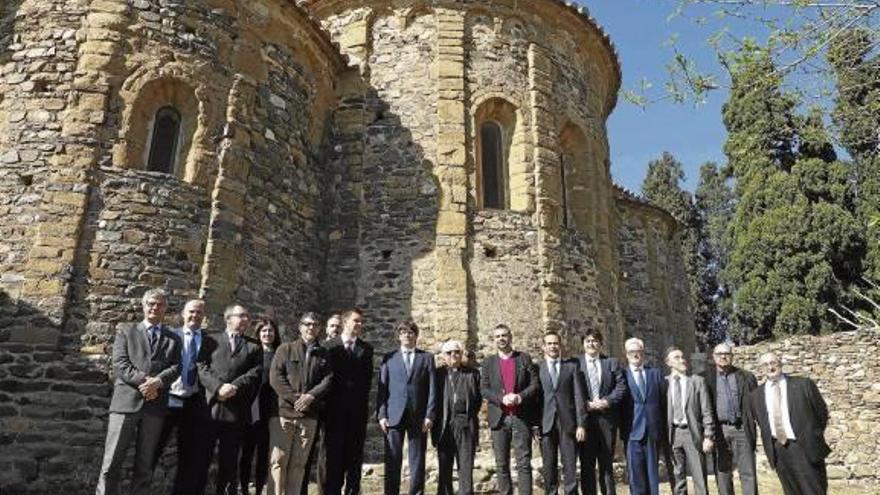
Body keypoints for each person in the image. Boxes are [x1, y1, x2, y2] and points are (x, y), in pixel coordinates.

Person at [95, 288, 181, 495]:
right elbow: (121, 364)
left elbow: (177, 367)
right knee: (111, 462)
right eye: (151, 303)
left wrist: (158, 382)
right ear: (143, 306)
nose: (155, 307)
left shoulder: (173, 339)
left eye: (160, 304)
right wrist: (146, 382)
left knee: (145, 464)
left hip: (155, 406)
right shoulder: (126, 331)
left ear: (165, 308)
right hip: (126, 403)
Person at [197, 304, 263, 495]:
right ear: (228, 319)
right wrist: (218, 388)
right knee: (202, 458)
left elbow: (255, 373)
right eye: (240, 316)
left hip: (235, 411)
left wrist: (234, 387)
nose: (245, 320)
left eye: (246, 317)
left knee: (229, 460)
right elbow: (202, 366)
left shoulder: (254, 346)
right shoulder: (211, 340)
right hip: (210, 408)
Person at [268, 312, 333, 495]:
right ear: (300, 327)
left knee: (298, 464)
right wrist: (296, 400)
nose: (311, 328)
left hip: (309, 416)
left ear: (319, 329)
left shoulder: (323, 354)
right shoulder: (285, 349)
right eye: (307, 324)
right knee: (278, 461)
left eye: (315, 325)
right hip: (284, 415)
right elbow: (276, 377)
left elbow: (328, 379)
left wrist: (311, 396)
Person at [749, 352, 830, 495]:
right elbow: (762, 422)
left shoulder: (803, 385)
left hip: (804, 446)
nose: (770, 367)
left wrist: (812, 434)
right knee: (790, 491)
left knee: (814, 490)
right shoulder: (756, 395)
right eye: (765, 365)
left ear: (780, 364)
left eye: (773, 362)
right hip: (779, 450)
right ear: (761, 369)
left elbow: (821, 412)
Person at [155, 298, 211, 495]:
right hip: (168, 399)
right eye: (191, 312)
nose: (195, 316)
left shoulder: (210, 340)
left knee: (189, 456)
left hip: (194, 402)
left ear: (204, 317)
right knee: (154, 449)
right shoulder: (170, 336)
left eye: (199, 313)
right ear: (183, 314)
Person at [377, 320, 437, 495]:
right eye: (403, 332)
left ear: (416, 335)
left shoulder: (426, 358)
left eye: (410, 332)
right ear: (398, 336)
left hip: (418, 416)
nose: (407, 335)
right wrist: (382, 415)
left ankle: (417, 492)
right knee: (392, 458)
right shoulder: (389, 358)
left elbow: (433, 388)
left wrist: (430, 415)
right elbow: (382, 388)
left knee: (417, 459)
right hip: (393, 415)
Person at [480, 323, 540, 495]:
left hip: (521, 417)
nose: (501, 339)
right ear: (494, 339)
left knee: (523, 462)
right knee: (501, 464)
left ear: (510, 336)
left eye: (504, 335)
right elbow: (484, 388)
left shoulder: (523, 358)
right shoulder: (488, 362)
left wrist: (519, 397)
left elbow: (534, 384)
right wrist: (501, 399)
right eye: (498, 336)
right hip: (499, 418)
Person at [323, 309, 374, 495]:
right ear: (345, 322)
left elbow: (367, 381)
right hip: (333, 413)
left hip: (356, 414)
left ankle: (353, 491)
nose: (360, 324)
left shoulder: (366, 349)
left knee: (354, 458)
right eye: (356, 321)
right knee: (334, 457)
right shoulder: (329, 347)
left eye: (361, 321)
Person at [702, 343, 758, 495]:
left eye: (726, 353)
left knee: (748, 471)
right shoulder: (706, 378)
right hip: (719, 430)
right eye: (719, 354)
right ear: (713, 357)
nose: (723, 356)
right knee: (723, 472)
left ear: (732, 356)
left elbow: (757, 404)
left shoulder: (746, 377)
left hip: (742, 428)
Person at [576, 328, 627, 495]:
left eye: (595, 340)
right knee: (587, 465)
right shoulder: (576, 364)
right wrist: (586, 405)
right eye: (588, 341)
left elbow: (620, 387)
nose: (592, 344)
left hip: (607, 420)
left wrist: (606, 401)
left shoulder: (611, 363)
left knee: (606, 465)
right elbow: (573, 391)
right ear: (583, 344)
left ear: (600, 344)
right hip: (585, 421)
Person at [538, 332, 587, 495]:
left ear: (560, 346)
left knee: (570, 465)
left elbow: (578, 397)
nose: (553, 346)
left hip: (568, 423)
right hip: (546, 422)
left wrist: (581, 424)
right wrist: (534, 424)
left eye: (556, 343)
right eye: (549, 344)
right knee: (549, 466)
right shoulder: (538, 368)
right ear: (544, 347)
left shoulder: (571, 367)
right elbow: (535, 399)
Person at [432, 339, 481, 495]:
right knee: (444, 467)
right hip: (444, 424)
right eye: (449, 352)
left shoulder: (472, 374)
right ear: (443, 356)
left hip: (465, 423)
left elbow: (478, 400)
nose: (453, 355)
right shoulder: (437, 374)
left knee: (466, 467)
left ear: (461, 355)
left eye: (457, 352)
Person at [664, 347, 714, 495]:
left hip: (693, 433)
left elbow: (706, 411)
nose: (682, 360)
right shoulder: (664, 383)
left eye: (682, 357)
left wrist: (708, 436)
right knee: (677, 476)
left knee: (699, 476)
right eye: (677, 358)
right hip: (673, 434)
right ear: (668, 363)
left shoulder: (697, 381)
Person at [620, 337, 667, 495]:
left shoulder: (655, 374)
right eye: (631, 352)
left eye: (638, 351)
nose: (635, 355)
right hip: (632, 432)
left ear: (643, 353)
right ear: (626, 355)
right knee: (636, 478)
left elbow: (663, 401)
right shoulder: (622, 376)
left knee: (653, 476)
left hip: (653, 431)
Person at [239, 317, 280, 495]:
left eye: (270, 331)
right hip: (251, 405)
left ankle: (259, 488)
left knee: (264, 451)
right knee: (247, 449)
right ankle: (243, 486)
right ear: (258, 333)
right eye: (264, 331)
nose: (267, 334)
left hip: (270, 407)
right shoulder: (251, 351)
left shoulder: (280, 353)